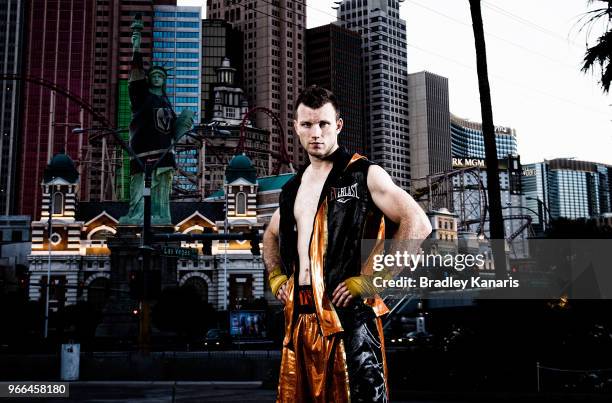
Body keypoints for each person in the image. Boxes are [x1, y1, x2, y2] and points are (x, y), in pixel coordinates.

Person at [263, 85, 432, 402]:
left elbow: (418, 223)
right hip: (299, 320)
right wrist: (276, 276)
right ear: (296, 127)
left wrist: (373, 281)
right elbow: (270, 235)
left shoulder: (365, 174)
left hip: (349, 320)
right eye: (307, 124)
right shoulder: (291, 190)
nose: (316, 133)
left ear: (338, 125)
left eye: (324, 124)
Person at [119, 15, 194, 225]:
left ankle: (161, 216)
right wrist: (136, 44)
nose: (157, 77)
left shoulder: (165, 103)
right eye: (154, 75)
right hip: (142, 149)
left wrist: (185, 120)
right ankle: (137, 215)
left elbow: (172, 128)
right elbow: (135, 76)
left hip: (163, 153)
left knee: (161, 188)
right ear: (149, 78)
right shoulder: (142, 96)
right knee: (139, 185)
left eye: (161, 75)